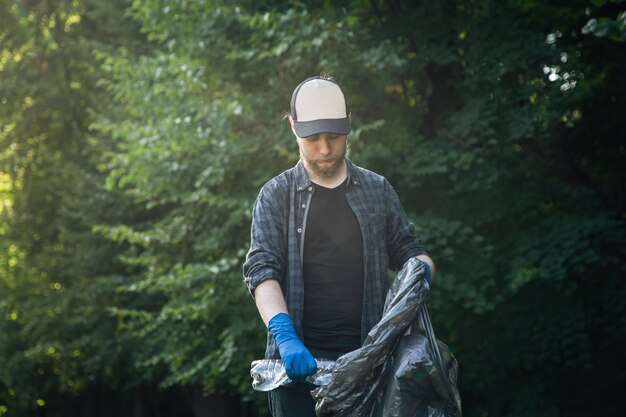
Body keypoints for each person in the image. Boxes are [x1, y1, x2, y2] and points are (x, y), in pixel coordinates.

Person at [243, 75, 435, 417]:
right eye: (313, 138)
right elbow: (261, 272)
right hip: (295, 372)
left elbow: (410, 251)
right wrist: (285, 337)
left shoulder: (377, 190)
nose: (325, 149)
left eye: (333, 137)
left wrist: (422, 271)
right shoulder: (276, 195)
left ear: (348, 124)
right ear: (293, 127)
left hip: (369, 369)